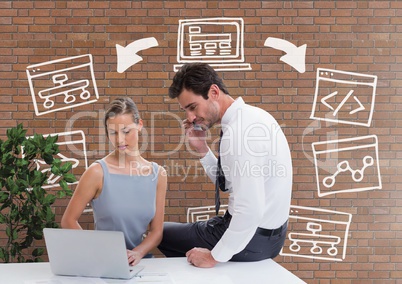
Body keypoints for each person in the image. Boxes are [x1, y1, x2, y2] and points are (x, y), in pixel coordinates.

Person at [158, 63, 292, 268]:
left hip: (252, 239)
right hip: (270, 239)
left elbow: (250, 210)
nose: (190, 118)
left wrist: (215, 256)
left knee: (159, 233)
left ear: (213, 92)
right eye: (185, 110)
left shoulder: (239, 133)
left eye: (192, 107)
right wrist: (202, 149)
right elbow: (228, 184)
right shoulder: (254, 117)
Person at [61, 97, 167, 266]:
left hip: (141, 265)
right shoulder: (97, 172)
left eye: (126, 131)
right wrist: (100, 251)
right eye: (113, 133)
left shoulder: (158, 174)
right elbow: (68, 221)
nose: (119, 140)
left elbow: (156, 232)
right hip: (104, 264)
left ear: (140, 125)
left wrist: (137, 253)